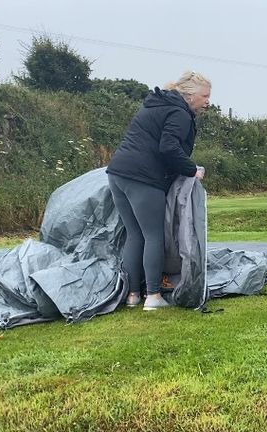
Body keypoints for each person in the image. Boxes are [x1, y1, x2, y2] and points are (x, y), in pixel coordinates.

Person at [106, 71, 211, 310]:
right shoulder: (180, 113)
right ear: (190, 95)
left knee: (135, 235)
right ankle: (153, 296)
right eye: (205, 96)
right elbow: (168, 147)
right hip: (144, 178)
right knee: (153, 236)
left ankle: (133, 295)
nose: (208, 101)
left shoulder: (158, 104)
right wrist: (191, 169)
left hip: (117, 174)